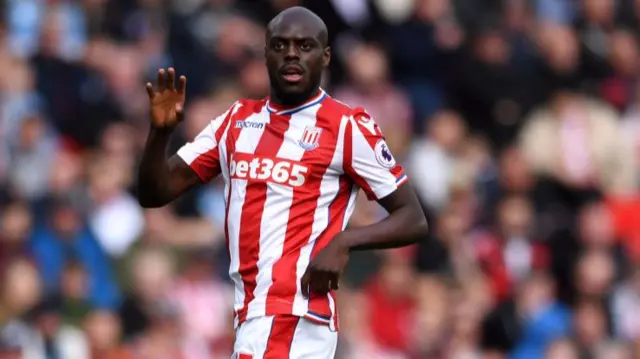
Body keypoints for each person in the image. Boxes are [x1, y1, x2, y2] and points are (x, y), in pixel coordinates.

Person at [137, 6, 428, 359]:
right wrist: (160, 134)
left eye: (305, 46)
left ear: (325, 56)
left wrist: (344, 241)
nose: (292, 53)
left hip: (293, 314)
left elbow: (412, 217)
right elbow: (155, 192)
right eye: (280, 45)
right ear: (265, 54)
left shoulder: (346, 127)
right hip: (252, 314)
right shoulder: (236, 122)